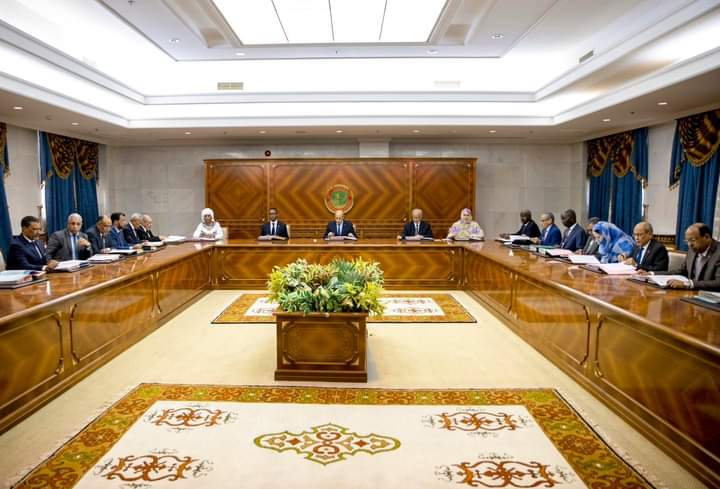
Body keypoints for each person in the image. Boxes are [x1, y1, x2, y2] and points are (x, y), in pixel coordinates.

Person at [663, 223, 720, 290]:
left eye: (693, 240)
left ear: (706, 237)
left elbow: (718, 283)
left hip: (709, 294)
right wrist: (653, 274)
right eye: (687, 241)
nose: (689, 244)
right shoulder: (692, 250)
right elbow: (682, 272)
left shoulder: (718, 252)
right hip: (690, 293)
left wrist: (688, 284)